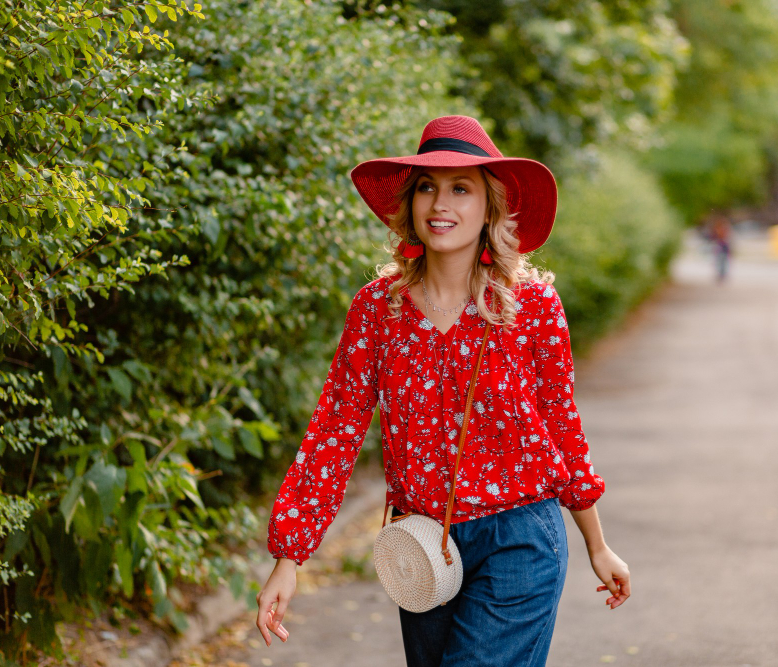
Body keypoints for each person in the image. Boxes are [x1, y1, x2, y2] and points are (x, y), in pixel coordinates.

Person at [254, 115, 630, 666]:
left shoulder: (531, 307)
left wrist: (597, 544)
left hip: (520, 539)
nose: (440, 203)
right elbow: (334, 431)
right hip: (423, 547)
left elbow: (561, 425)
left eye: (461, 188)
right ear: (409, 204)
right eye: (426, 187)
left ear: (489, 207)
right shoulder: (378, 311)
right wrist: (289, 556)